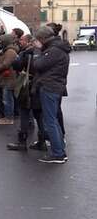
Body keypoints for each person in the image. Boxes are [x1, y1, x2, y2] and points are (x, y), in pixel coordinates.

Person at [32, 26, 70, 163]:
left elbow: (38, 65)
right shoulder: (59, 48)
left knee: (50, 121)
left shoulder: (54, 51)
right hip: (55, 86)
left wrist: (37, 50)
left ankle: (58, 153)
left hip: (49, 87)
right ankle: (60, 149)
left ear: (42, 38)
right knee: (53, 120)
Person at [6, 34, 43, 150]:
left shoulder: (27, 53)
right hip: (39, 85)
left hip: (28, 85)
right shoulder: (43, 52)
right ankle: (42, 141)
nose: (19, 41)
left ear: (29, 42)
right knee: (39, 115)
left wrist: (20, 56)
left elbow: (16, 65)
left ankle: (22, 142)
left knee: (24, 113)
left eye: (22, 40)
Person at [0, 34, 19, 125]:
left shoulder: (10, 51)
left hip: (9, 78)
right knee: (6, 98)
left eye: (1, 41)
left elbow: (5, 65)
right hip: (5, 78)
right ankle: (7, 116)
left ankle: (9, 118)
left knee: (8, 99)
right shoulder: (5, 51)